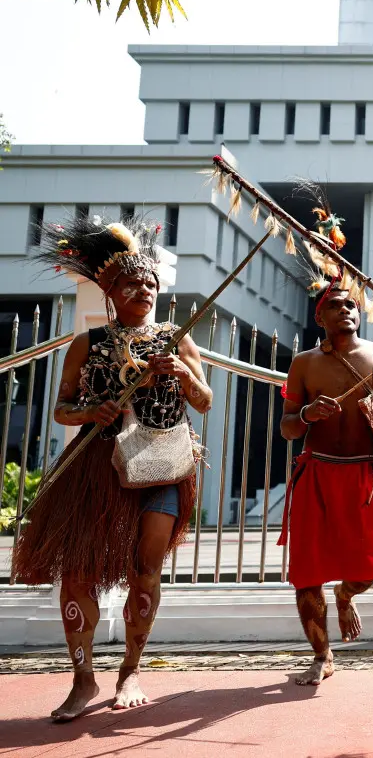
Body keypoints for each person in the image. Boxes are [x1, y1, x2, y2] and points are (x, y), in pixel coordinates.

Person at [14, 215, 211, 722]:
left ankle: (130, 669)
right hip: (97, 470)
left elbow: (205, 400)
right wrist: (92, 412)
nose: (143, 289)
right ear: (110, 291)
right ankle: (82, 679)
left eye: (150, 282)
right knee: (77, 573)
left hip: (165, 466)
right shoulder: (90, 342)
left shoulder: (175, 338)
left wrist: (183, 372)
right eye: (131, 283)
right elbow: (61, 408)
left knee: (145, 570)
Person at [279, 270, 373, 686]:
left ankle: (345, 595)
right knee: (307, 575)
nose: (345, 309)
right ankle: (322, 655)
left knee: (369, 568)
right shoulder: (304, 363)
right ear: (321, 317)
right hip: (316, 473)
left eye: (351, 303)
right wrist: (307, 414)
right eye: (335, 305)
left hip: (361, 475)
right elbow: (287, 427)